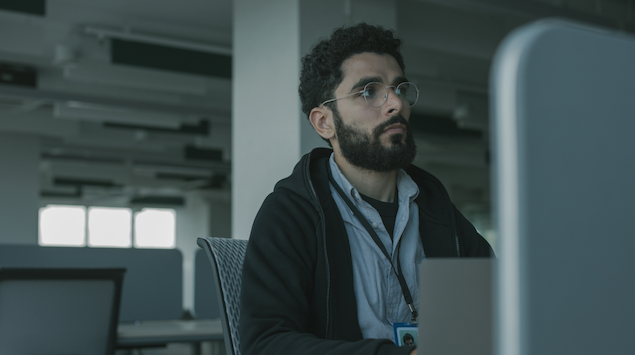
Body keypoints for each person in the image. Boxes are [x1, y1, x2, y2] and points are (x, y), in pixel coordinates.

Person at [239, 23, 493, 355]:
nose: (395, 105)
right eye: (370, 91)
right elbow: (265, 344)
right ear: (324, 122)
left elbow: (498, 302)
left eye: (399, 89)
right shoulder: (291, 212)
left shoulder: (435, 206)